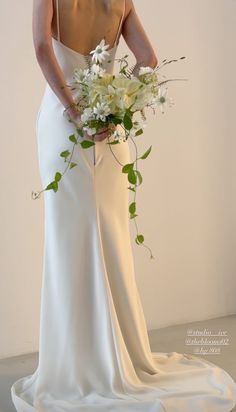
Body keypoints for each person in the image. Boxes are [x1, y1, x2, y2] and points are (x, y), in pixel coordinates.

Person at [11, 1, 236, 411]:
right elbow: (148, 58)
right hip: (109, 128)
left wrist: (73, 110)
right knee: (112, 238)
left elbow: (43, 48)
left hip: (65, 126)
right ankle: (119, 356)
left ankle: (75, 363)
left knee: (67, 242)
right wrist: (116, 106)